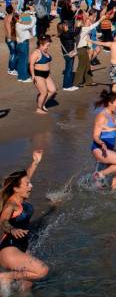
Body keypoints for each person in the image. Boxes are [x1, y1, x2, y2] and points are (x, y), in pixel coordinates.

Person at [0, 148, 49, 292]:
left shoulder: (19, 195)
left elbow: (26, 177)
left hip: (21, 248)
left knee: (26, 287)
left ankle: (6, 283)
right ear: (16, 189)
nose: (31, 186)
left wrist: (35, 163)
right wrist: (12, 229)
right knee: (43, 270)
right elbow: (3, 222)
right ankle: (5, 276)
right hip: (9, 249)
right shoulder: (11, 204)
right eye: (27, 184)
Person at [91, 90, 116, 190]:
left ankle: (111, 194)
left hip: (109, 148)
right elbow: (95, 136)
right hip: (100, 148)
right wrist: (102, 143)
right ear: (110, 103)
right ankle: (99, 174)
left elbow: (114, 122)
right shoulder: (101, 116)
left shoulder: (111, 113)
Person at [28, 35, 56, 115]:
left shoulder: (44, 51)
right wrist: (33, 75)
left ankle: (42, 104)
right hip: (38, 74)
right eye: (47, 45)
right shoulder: (36, 53)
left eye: (49, 45)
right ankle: (38, 108)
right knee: (44, 92)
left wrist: (49, 70)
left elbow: (47, 62)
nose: (48, 47)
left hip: (46, 75)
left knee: (52, 90)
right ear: (41, 44)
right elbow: (31, 65)